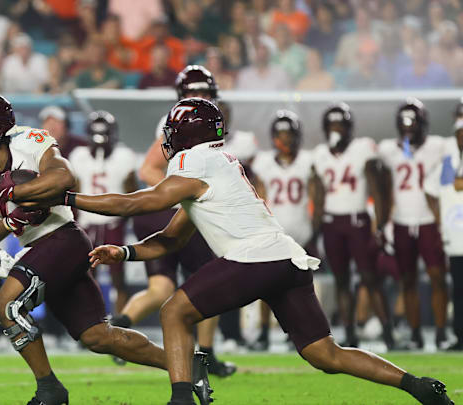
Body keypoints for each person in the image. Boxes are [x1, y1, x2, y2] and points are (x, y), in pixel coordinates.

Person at [67, 97, 453, 405]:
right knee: (325, 354)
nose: (167, 140)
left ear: (186, 135)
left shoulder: (194, 160)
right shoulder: (216, 166)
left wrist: (69, 196)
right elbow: (171, 238)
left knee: (174, 311)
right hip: (285, 257)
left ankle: (182, 398)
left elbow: (138, 203)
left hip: (254, 257)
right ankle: (419, 387)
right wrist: (125, 252)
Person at [0, 92, 211, 405]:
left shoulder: (29, 140)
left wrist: (14, 191)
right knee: (98, 337)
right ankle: (185, 364)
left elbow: (63, 177)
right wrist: (11, 222)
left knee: (6, 305)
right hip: (39, 246)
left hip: (64, 238)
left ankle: (49, 389)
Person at [128, 65, 236, 377]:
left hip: (204, 207)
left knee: (210, 277)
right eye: (193, 93)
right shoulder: (176, 121)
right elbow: (149, 168)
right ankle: (203, 355)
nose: (199, 98)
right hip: (190, 209)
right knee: (203, 277)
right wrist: (178, 194)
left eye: (204, 92)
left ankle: (207, 352)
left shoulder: (212, 117)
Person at [312, 102, 395, 349]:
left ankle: (388, 332)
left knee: (371, 278)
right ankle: (349, 333)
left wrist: (380, 226)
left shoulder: (363, 149)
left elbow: (377, 190)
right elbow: (318, 196)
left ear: (349, 127)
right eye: (332, 124)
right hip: (331, 222)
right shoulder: (320, 154)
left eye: (340, 124)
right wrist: (314, 230)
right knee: (341, 281)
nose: (336, 129)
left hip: (358, 220)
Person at [378, 98, 449, 350]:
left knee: (437, 276)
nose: (408, 128)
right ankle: (416, 332)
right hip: (401, 221)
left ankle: (441, 331)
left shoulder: (439, 146)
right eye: (404, 123)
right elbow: (383, 187)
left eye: (413, 123)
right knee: (407, 280)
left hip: (429, 221)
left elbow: (448, 181)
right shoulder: (389, 150)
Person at [248, 110, 316, 351]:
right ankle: (265, 332)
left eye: (289, 135)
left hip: (301, 232)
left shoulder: (308, 162)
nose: (285, 140)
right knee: (266, 286)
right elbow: (260, 195)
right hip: (273, 233)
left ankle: (296, 332)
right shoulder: (264, 163)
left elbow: (316, 196)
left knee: (297, 288)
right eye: (281, 134)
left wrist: (315, 228)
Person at [67, 111, 138, 314]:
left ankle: (119, 322)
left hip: (113, 223)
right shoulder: (79, 156)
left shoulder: (124, 156)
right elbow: (76, 190)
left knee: (117, 277)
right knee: (88, 277)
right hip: (88, 223)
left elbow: (132, 194)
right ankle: (92, 321)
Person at [424, 106, 463, 351]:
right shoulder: (448, 162)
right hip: (456, 236)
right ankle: (460, 334)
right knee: (458, 288)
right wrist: (439, 218)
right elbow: (429, 189)